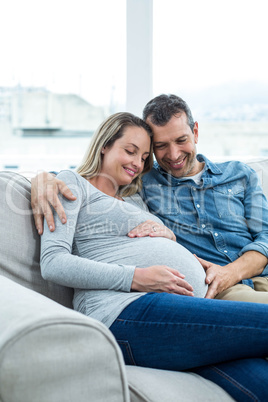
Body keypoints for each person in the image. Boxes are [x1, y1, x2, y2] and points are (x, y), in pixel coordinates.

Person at [39, 111, 268, 401]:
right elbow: (53, 263)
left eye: (145, 156)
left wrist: (168, 237)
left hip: (179, 318)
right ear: (104, 145)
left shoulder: (135, 196)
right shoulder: (73, 183)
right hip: (124, 312)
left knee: (260, 383)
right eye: (129, 151)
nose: (137, 163)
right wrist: (137, 277)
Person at [32, 95, 268, 304]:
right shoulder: (144, 180)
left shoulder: (239, 174)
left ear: (195, 132)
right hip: (217, 290)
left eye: (181, 140)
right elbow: (90, 182)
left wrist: (231, 272)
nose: (173, 155)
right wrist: (44, 179)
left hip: (257, 277)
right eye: (161, 146)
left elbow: (265, 236)